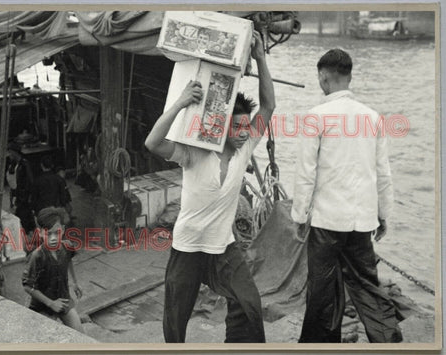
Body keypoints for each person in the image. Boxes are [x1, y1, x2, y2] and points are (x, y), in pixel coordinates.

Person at [145, 31, 275, 343]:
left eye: (247, 127)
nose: (245, 133)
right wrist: (180, 103)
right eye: (239, 127)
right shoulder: (194, 152)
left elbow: (268, 107)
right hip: (188, 247)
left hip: (222, 247)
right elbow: (152, 143)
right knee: (175, 321)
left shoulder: (244, 152)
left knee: (250, 305)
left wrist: (259, 57)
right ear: (223, 126)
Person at [291, 48, 403, 343]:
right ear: (349, 76)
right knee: (369, 288)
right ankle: (389, 342)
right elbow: (383, 172)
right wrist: (383, 215)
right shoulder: (373, 118)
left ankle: (319, 347)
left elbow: (306, 173)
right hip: (362, 222)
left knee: (323, 292)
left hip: (327, 223)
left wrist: (300, 215)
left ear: (324, 77)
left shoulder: (315, 117)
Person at [21, 207, 84, 332]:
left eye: (57, 232)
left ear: (63, 230)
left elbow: (69, 260)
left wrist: (75, 282)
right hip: (42, 306)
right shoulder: (37, 256)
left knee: (81, 336)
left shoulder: (67, 247)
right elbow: (27, 286)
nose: (53, 238)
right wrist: (51, 303)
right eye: (48, 234)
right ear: (40, 233)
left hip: (63, 300)